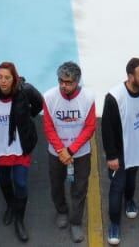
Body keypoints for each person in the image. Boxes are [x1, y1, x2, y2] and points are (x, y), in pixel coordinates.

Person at [0, 61, 43, 243]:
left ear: (14, 78)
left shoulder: (25, 91)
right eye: (0, 77)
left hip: (19, 146)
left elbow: (39, 105)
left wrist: (26, 118)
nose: (3, 81)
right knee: (4, 179)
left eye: (7, 77)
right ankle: (11, 205)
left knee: (21, 182)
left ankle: (19, 220)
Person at [100, 58, 139, 245]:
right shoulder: (114, 97)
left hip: (136, 148)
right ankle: (114, 223)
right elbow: (106, 129)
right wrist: (112, 156)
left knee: (131, 180)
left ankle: (129, 200)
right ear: (131, 77)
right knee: (117, 187)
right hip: (119, 154)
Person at [42, 60, 96, 243]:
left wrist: (71, 150)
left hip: (80, 153)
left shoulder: (88, 98)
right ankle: (61, 211)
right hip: (56, 152)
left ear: (77, 81)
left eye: (68, 82)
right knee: (56, 184)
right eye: (61, 81)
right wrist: (61, 150)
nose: (64, 85)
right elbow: (49, 127)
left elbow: (89, 127)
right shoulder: (49, 97)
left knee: (80, 188)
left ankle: (75, 222)